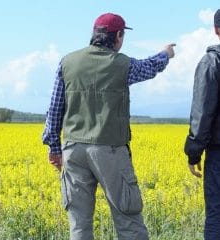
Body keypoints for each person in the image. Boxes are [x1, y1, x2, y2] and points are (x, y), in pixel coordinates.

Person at [42, 13, 175, 240]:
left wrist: (54, 148)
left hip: (73, 149)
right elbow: (149, 67)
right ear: (118, 36)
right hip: (109, 151)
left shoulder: (67, 62)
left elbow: (54, 109)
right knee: (128, 220)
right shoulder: (122, 64)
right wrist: (166, 54)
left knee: (79, 224)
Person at [184, 9, 220, 240]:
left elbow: (202, 112)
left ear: (216, 30)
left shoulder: (212, 62)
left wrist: (193, 153)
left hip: (219, 153)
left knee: (217, 215)